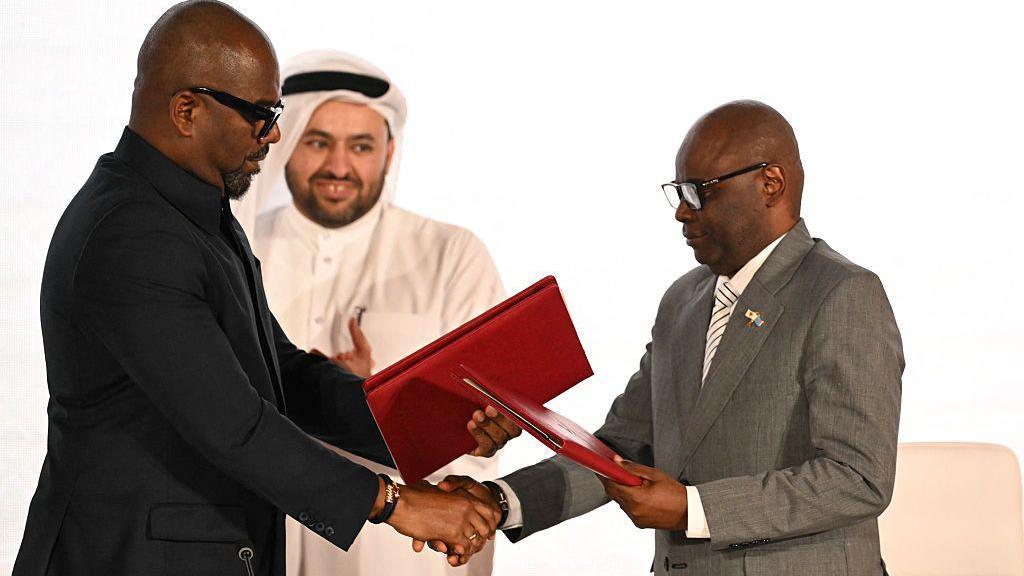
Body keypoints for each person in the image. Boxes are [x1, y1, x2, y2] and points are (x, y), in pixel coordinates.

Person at [13, 2, 515, 575]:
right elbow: (236, 425)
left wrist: (435, 424)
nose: (275, 133)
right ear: (186, 110)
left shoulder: (197, 215)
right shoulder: (131, 233)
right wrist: (396, 502)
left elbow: (284, 374)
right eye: (260, 113)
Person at [438, 100, 904, 575]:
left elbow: (858, 478)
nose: (682, 211)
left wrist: (693, 509)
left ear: (771, 184)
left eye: (700, 192)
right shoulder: (682, 301)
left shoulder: (842, 294)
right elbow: (625, 450)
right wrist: (500, 501)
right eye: (678, 192)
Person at [233, 50, 508, 576]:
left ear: (388, 152)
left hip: (404, 559)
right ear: (285, 145)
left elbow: (481, 445)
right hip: (269, 548)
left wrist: (375, 402)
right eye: (317, 142)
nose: (338, 166)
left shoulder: (451, 254)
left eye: (361, 146)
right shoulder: (239, 249)